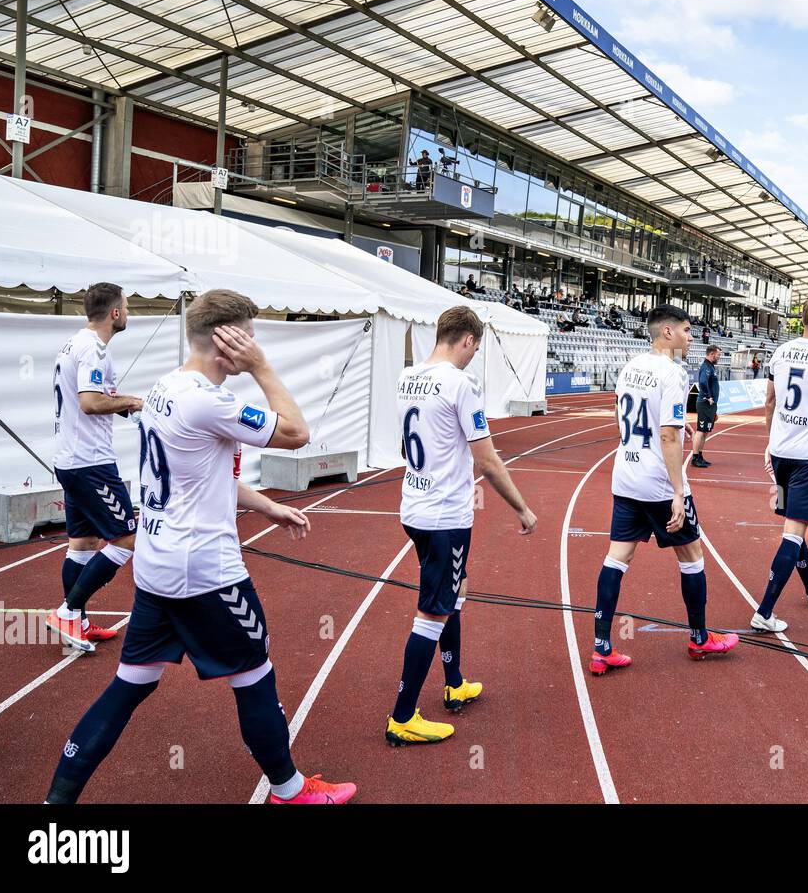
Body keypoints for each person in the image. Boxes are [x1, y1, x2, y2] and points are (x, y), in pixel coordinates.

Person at [45, 289, 355, 804]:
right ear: (225, 341)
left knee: (128, 686)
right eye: (248, 338)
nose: (253, 346)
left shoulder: (165, 389)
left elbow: (196, 474)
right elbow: (298, 432)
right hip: (206, 571)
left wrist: (266, 505)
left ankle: (58, 800)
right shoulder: (207, 400)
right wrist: (262, 367)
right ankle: (289, 790)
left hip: (157, 564)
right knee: (255, 674)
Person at [387, 308, 536, 744]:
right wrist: (522, 509)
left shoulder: (407, 377)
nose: (474, 356)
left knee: (456, 589)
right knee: (432, 610)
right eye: (477, 348)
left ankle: (454, 683)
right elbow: (486, 459)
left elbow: (404, 443)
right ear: (467, 340)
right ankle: (402, 716)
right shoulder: (460, 383)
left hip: (414, 507)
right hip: (444, 516)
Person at [586, 306, 738, 675]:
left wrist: (669, 428)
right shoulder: (672, 373)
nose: (691, 337)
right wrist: (676, 492)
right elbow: (668, 435)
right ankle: (700, 639)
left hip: (626, 475)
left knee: (617, 558)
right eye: (686, 330)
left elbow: (632, 416)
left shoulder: (630, 367)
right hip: (657, 481)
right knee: (692, 556)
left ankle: (601, 647)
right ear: (667, 332)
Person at [45, 283, 145, 653]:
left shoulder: (73, 343)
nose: (129, 313)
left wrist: (118, 404)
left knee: (83, 544)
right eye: (128, 307)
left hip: (71, 460)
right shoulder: (94, 350)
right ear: (115, 313)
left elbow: (84, 399)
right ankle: (68, 610)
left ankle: (79, 621)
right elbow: (88, 402)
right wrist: (133, 402)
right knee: (127, 538)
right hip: (90, 463)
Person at [751, 298, 808, 630]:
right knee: (794, 531)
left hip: (781, 450)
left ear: (801, 319)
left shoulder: (781, 351)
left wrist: (770, 440)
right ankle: (764, 612)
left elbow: (770, 401)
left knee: (794, 522)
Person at [691, 345, 721, 469]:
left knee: (705, 432)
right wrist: (708, 396)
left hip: (711, 404)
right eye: (718, 355)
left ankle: (700, 456)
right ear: (712, 354)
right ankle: (695, 457)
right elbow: (702, 382)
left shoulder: (711, 367)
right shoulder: (705, 367)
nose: (719, 357)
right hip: (704, 403)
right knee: (700, 430)